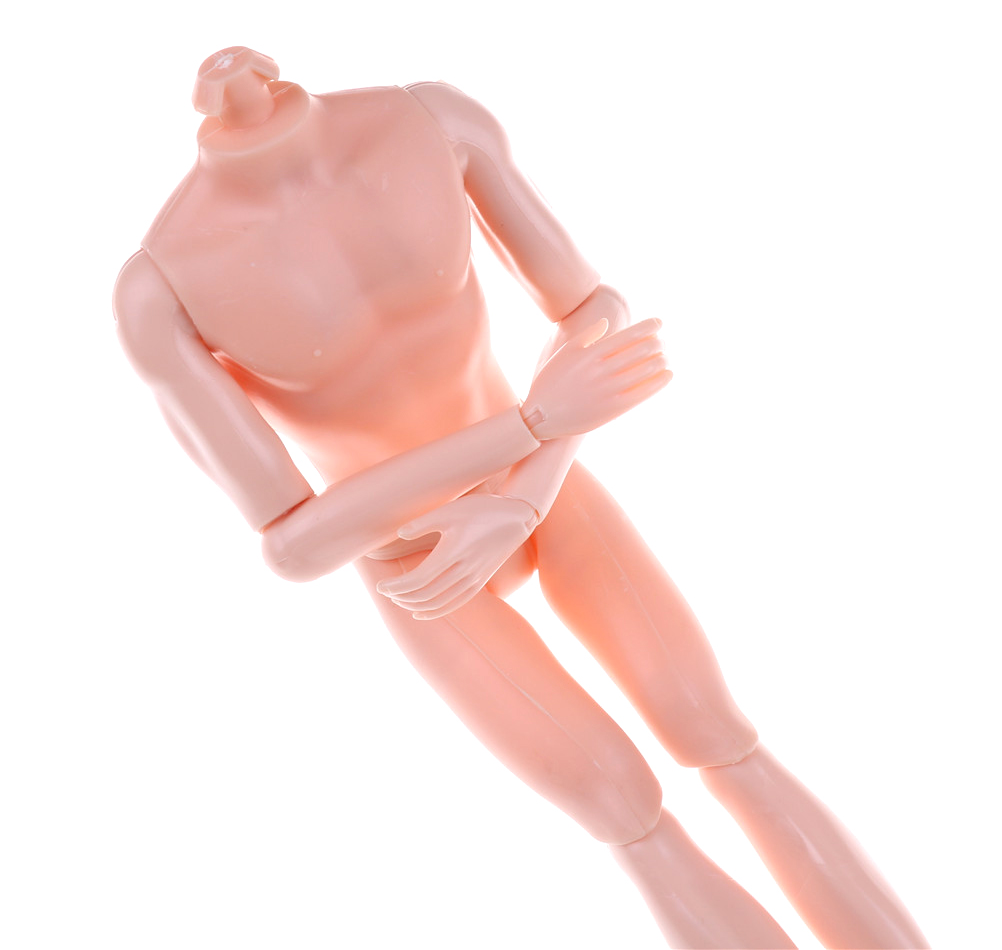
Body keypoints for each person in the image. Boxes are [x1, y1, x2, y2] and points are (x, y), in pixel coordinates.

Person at [114, 47, 928, 948]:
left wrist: (528, 490)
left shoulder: (429, 122)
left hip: (544, 486)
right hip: (421, 563)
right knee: (624, 807)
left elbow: (593, 309)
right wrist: (531, 426)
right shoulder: (162, 286)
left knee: (715, 731)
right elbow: (292, 541)